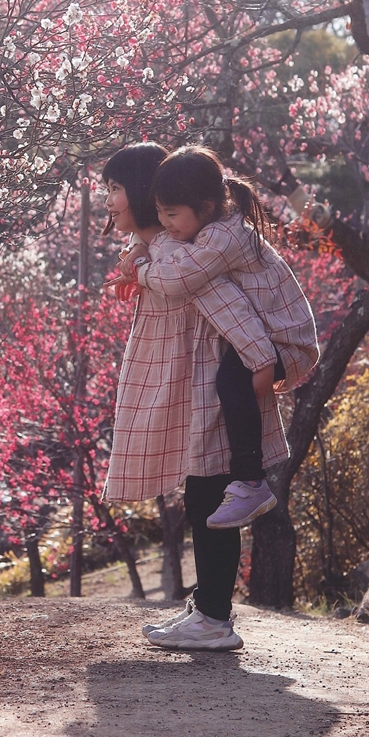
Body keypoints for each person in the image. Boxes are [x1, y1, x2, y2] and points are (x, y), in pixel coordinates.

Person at [102, 144, 291, 651]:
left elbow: (234, 316)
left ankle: (212, 618)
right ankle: (208, 608)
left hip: (216, 381)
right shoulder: (166, 249)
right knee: (203, 493)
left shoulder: (182, 256)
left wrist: (260, 369)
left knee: (210, 494)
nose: (110, 202)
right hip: (202, 384)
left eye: (116, 189)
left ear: (142, 193)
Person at [126, 145, 319, 537]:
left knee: (229, 383)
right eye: (160, 213)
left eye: (172, 213)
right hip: (269, 334)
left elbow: (179, 278)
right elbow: (176, 253)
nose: (165, 223)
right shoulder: (212, 227)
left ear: (208, 206)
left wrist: (140, 267)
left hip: (285, 338)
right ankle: (247, 481)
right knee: (229, 382)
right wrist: (144, 243)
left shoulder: (221, 238)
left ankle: (251, 482)